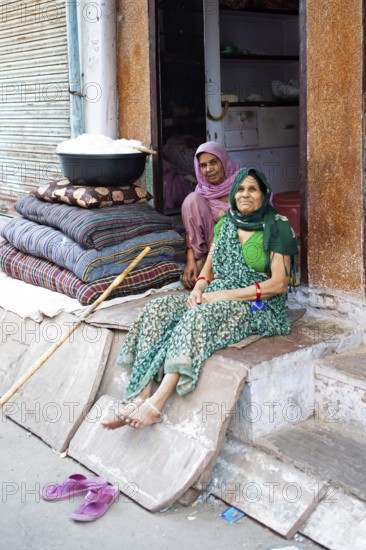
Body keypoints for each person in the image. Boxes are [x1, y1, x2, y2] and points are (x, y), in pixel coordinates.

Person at [102, 167, 298, 431]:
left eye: (252, 189)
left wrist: (220, 296)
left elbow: (279, 284)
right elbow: (209, 268)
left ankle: (156, 405)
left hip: (258, 304)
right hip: (217, 292)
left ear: (264, 193)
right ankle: (140, 394)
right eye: (240, 189)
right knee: (158, 307)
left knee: (198, 315)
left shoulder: (277, 226)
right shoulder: (226, 222)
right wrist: (199, 289)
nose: (245, 194)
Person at [181, 141, 240, 289]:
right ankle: (200, 262)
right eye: (203, 165)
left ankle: (211, 269)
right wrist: (191, 260)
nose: (209, 169)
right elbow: (191, 229)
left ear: (224, 161)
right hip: (209, 249)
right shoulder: (202, 190)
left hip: (239, 246)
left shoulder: (242, 182)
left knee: (228, 221)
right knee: (191, 200)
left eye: (214, 162)